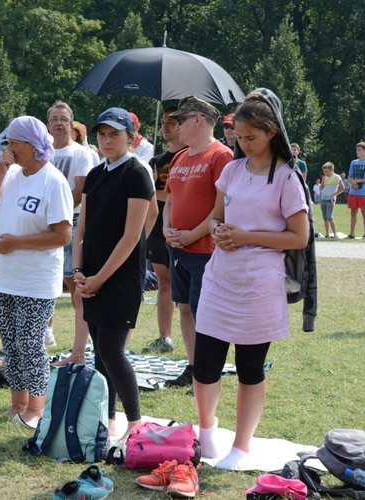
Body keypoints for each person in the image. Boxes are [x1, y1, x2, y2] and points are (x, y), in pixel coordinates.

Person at [194, 89, 309, 470]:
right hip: (221, 276)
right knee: (205, 363)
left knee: (250, 367)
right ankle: (207, 432)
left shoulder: (287, 178)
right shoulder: (232, 169)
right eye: (239, 137)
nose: (243, 144)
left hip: (260, 280)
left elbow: (299, 237)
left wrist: (246, 237)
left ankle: (241, 447)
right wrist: (219, 231)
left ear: (272, 132)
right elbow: (215, 215)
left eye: (250, 138)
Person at [0, 115, 72, 428]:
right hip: (4, 278)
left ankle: (36, 407)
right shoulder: (9, 173)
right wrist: (0, 172)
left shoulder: (53, 181)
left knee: (31, 345)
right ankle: (17, 403)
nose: (9, 148)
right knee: (11, 344)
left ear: (31, 145)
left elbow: (62, 236)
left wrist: (17, 243)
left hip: (35, 280)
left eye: (14, 142)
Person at [72, 107, 153, 442]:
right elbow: (82, 229)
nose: (106, 141)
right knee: (99, 350)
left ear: (130, 138)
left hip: (120, 275)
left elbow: (132, 235)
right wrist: (78, 272)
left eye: (114, 134)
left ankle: (136, 424)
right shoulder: (95, 174)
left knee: (112, 349)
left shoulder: (136, 173)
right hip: (89, 273)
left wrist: (100, 278)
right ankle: (108, 417)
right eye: (102, 134)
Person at [162, 96, 233, 388]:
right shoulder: (180, 157)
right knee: (185, 308)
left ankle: (207, 372)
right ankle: (193, 368)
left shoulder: (221, 156)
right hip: (178, 248)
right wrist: (167, 229)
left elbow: (223, 207)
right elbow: (169, 199)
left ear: (198, 120)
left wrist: (193, 235)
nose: (175, 126)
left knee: (207, 311)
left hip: (206, 250)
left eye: (180, 120)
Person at [46, 100, 95, 359]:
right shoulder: (42, 153)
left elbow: (81, 189)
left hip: (72, 221)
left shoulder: (80, 153)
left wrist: (58, 214)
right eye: (54, 119)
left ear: (71, 123)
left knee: (76, 285)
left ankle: (83, 340)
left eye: (64, 119)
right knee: (50, 280)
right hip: (45, 224)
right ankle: (47, 331)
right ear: (48, 124)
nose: (59, 123)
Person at [143, 105, 188, 354]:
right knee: (163, 282)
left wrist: (155, 193)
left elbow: (178, 195)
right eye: (164, 122)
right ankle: (165, 337)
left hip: (182, 228)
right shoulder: (155, 161)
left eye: (173, 121)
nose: (167, 125)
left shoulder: (190, 156)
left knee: (187, 286)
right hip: (157, 228)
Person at [347, 142, 365, 239]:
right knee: (353, 212)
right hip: (353, 192)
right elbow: (349, 176)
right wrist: (353, 182)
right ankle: (352, 234)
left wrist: (359, 181)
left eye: (359, 150)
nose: (357, 152)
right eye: (356, 150)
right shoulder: (353, 162)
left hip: (364, 192)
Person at [318, 162, 344, 239]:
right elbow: (320, 189)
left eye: (327, 171)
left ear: (331, 170)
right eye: (324, 172)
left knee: (330, 217)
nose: (325, 173)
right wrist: (323, 181)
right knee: (325, 218)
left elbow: (342, 188)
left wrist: (334, 195)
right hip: (323, 199)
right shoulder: (324, 178)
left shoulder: (336, 177)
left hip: (330, 200)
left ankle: (335, 234)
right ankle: (327, 234)